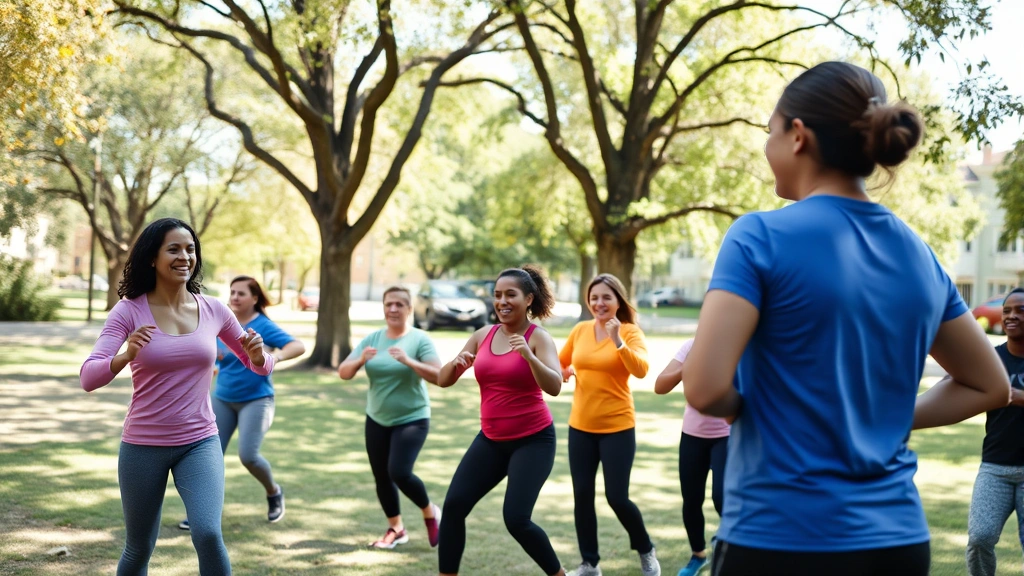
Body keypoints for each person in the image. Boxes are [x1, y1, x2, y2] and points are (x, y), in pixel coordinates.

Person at [679, 61, 1010, 576]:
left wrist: (751, 406)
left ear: (797, 136)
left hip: (777, 537)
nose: (766, 147)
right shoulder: (917, 254)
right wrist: (888, 416)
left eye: (769, 131)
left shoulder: (757, 238)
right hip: (896, 543)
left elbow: (703, 389)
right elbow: (989, 385)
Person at [80, 218, 275, 576]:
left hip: (199, 441)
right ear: (152, 258)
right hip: (142, 445)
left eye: (190, 249)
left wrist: (259, 355)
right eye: (174, 249)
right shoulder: (129, 310)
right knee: (139, 548)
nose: (185, 256)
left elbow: (258, 364)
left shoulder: (214, 309)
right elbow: (88, 377)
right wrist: (124, 356)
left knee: (208, 533)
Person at [436, 265, 566, 576]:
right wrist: (456, 364)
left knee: (516, 519)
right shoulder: (483, 334)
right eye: (497, 295)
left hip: (533, 441)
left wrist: (530, 357)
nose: (502, 301)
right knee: (454, 507)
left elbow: (556, 386)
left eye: (511, 295)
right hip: (491, 440)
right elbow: (442, 380)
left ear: (528, 299)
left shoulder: (538, 338)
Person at [178, 276, 305, 531]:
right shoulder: (222, 321)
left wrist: (273, 357)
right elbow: (211, 353)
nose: (235, 297)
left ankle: (273, 492)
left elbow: (298, 346)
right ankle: (200, 514)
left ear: (255, 299)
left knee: (248, 456)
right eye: (233, 292)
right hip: (222, 398)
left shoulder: (262, 326)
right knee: (208, 458)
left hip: (256, 400)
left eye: (242, 293)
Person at [560, 273, 660, 576]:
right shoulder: (580, 330)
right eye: (594, 297)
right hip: (580, 426)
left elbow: (641, 370)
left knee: (617, 497)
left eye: (606, 297)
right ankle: (589, 563)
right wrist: (564, 370)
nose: (598, 303)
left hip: (617, 426)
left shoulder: (629, 331)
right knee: (582, 496)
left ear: (618, 300)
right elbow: (560, 360)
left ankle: (645, 548)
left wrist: (617, 340)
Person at [337, 286, 443, 549]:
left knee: (399, 471)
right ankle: (396, 529)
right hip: (377, 417)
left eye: (399, 304)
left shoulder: (419, 339)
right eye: (388, 304)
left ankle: (430, 510)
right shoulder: (372, 339)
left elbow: (438, 375)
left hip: (412, 417)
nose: (393, 309)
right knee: (381, 477)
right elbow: (344, 372)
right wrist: (360, 359)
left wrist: (409, 362)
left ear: (409, 309)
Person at [655, 338, 729, 576]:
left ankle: (725, 540)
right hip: (693, 436)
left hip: (726, 435)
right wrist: (685, 368)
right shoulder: (690, 346)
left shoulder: (736, 343)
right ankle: (698, 555)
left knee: (722, 497)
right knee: (691, 500)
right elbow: (660, 386)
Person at [966, 288, 1024, 575]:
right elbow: (960, 385)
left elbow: (1003, 395)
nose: (1012, 315)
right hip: (995, 466)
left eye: (1021, 310)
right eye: (1007, 310)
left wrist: (1010, 394)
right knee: (980, 537)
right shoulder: (991, 359)